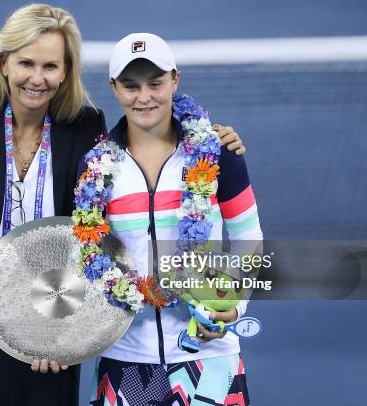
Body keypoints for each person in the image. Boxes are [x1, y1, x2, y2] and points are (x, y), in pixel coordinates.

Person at [0, 4, 246, 406]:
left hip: (56, 326)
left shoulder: (85, 129)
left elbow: (95, 237)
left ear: (65, 72)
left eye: (51, 66)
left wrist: (214, 138)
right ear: (4, 64)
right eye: (26, 63)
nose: (37, 78)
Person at [85, 33, 263, 406]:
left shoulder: (218, 154)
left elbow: (249, 238)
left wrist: (234, 305)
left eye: (156, 83)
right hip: (126, 361)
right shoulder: (96, 171)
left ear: (175, 79)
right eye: (131, 86)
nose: (144, 97)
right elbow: (88, 253)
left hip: (211, 359)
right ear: (114, 88)